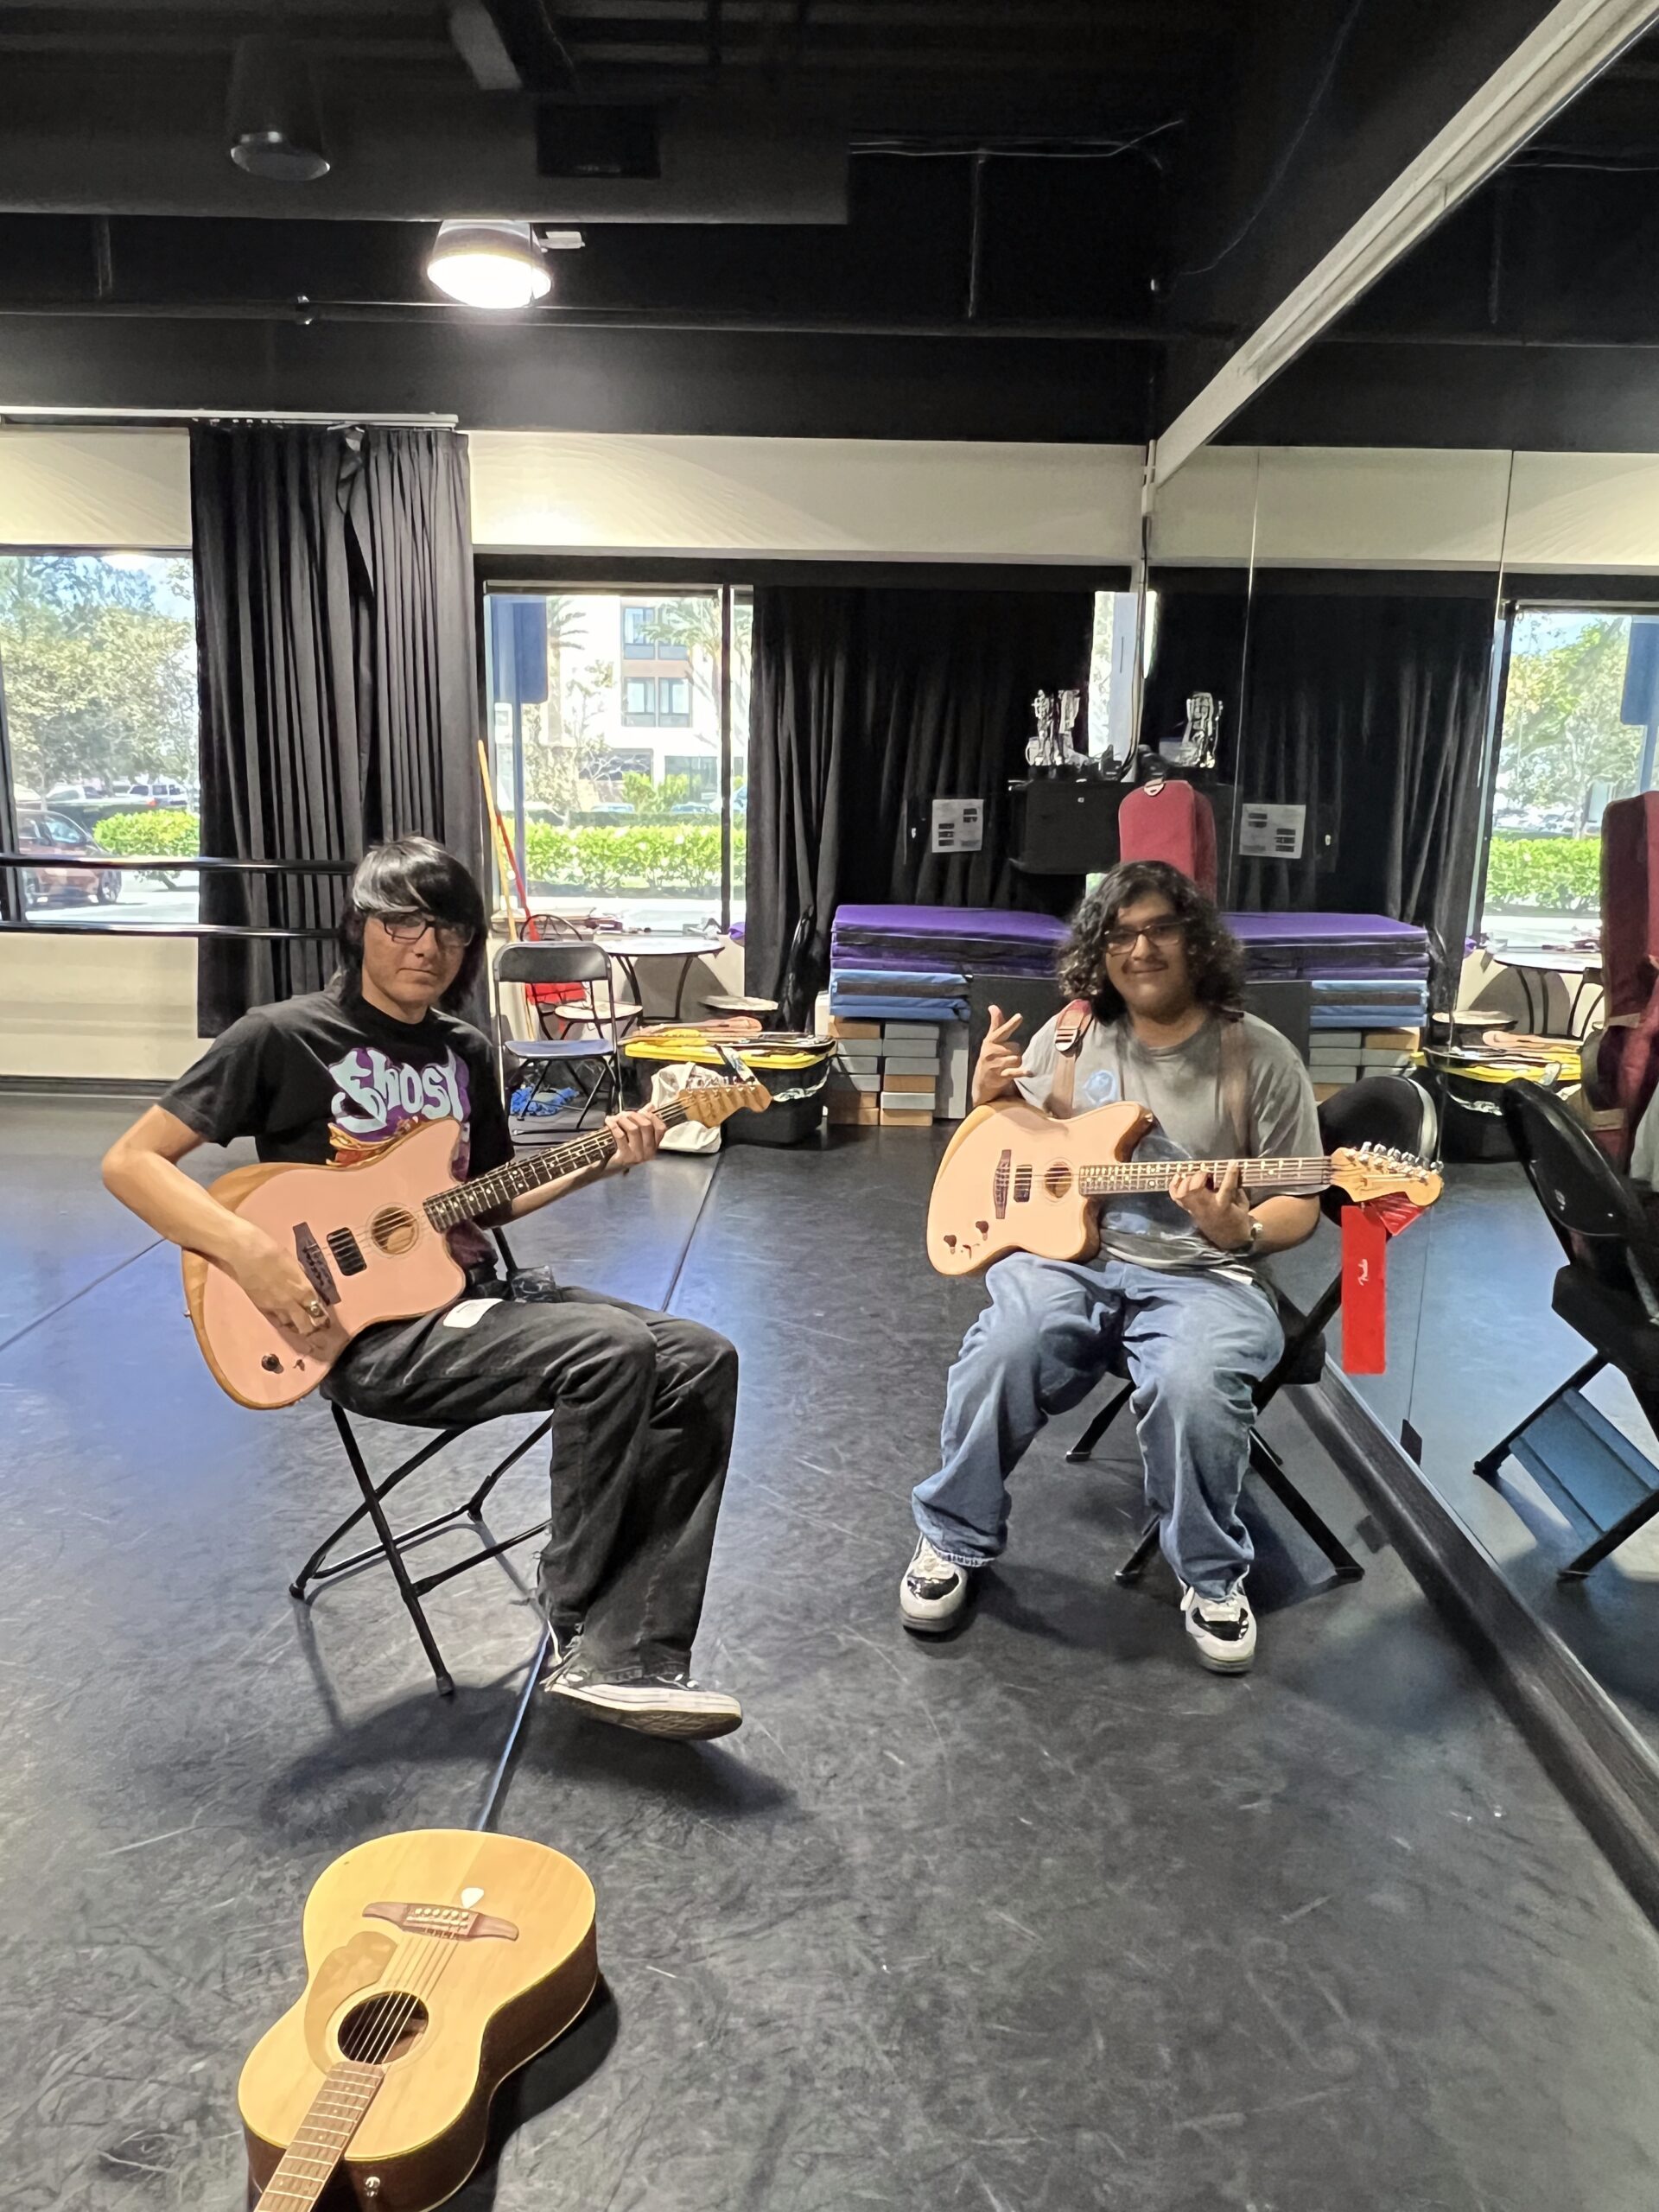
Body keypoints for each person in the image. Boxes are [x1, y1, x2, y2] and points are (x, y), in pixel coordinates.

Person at [102, 836, 742, 1740]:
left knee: (702, 1358)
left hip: (479, 1301)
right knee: (612, 1350)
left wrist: (605, 1158)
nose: (425, 945)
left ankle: (633, 1646)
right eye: (401, 921)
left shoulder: (465, 1051)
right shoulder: (280, 1037)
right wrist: (250, 1254)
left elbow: (494, 1193)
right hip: (372, 1337)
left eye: (448, 928)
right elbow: (132, 1164)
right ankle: (583, 1633)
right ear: (358, 926)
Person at [900, 860, 1322, 1673]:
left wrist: (1240, 1229)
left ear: (1195, 939)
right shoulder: (1070, 1034)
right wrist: (990, 1095)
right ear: (1101, 950)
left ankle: (1209, 1575)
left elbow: (1300, 1200)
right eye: (1122, 934)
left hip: (1207, 1272)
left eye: (1161, 928)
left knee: (1196, 1383)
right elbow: (1035, 1137)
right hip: (1072, 1259)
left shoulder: (1258, 1056)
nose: (1142, 949)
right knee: (1003, 1349)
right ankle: (952, 1536)